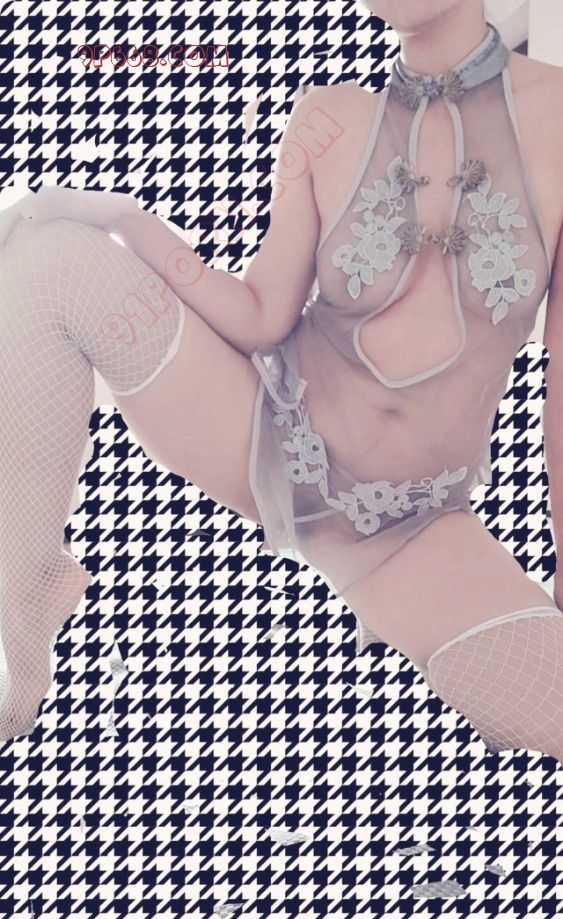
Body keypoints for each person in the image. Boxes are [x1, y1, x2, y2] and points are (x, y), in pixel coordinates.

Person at [0, 0, 563, 762]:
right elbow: (263, 314)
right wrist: (126, 218)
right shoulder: (325, 118)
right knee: (45, 263)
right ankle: (24, 603)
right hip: (266, 437)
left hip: (414, 532)